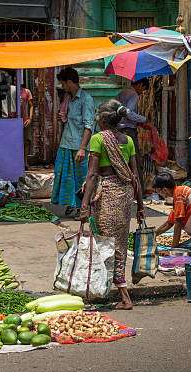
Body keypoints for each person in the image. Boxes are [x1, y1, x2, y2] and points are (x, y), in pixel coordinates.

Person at [80, 99, 145, 310]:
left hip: (107, 196)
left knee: (106, 245)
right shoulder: (128, 140)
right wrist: (141, 206)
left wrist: (83, 205)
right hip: (125, 197)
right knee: (119, 245)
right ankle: (108, 289)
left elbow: (92, 175)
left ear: (101, 119)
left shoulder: (98, 139)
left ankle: (124, 297)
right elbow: (135, 176)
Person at [52, 67, 95, 219]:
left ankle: (83, 209)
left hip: (78, 147)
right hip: (66, 144)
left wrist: (83, 148)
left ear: (69, 82)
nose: (62, 87)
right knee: (65, 178)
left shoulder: (86, 100)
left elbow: (89, 125)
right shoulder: (68, 98)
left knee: (81, 180)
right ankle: (72, 205)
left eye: (63, 83)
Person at [116, 78, 150, 196]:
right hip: (128, 131)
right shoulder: (134, 95)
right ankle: (139, 192)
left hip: (118, 130)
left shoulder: (122, 93)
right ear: (140, 85)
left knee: (121, 161)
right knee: (134, 161)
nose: (142, 93)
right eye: (143, 90)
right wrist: (144, 119)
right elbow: (129, 113)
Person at [20, 84, 34, 168]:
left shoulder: (27, 91)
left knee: (26, 142)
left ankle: (25, 162)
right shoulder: (12, 90)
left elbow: (31, 105)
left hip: (25, 120)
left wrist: (30, 118)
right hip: (14, 119)